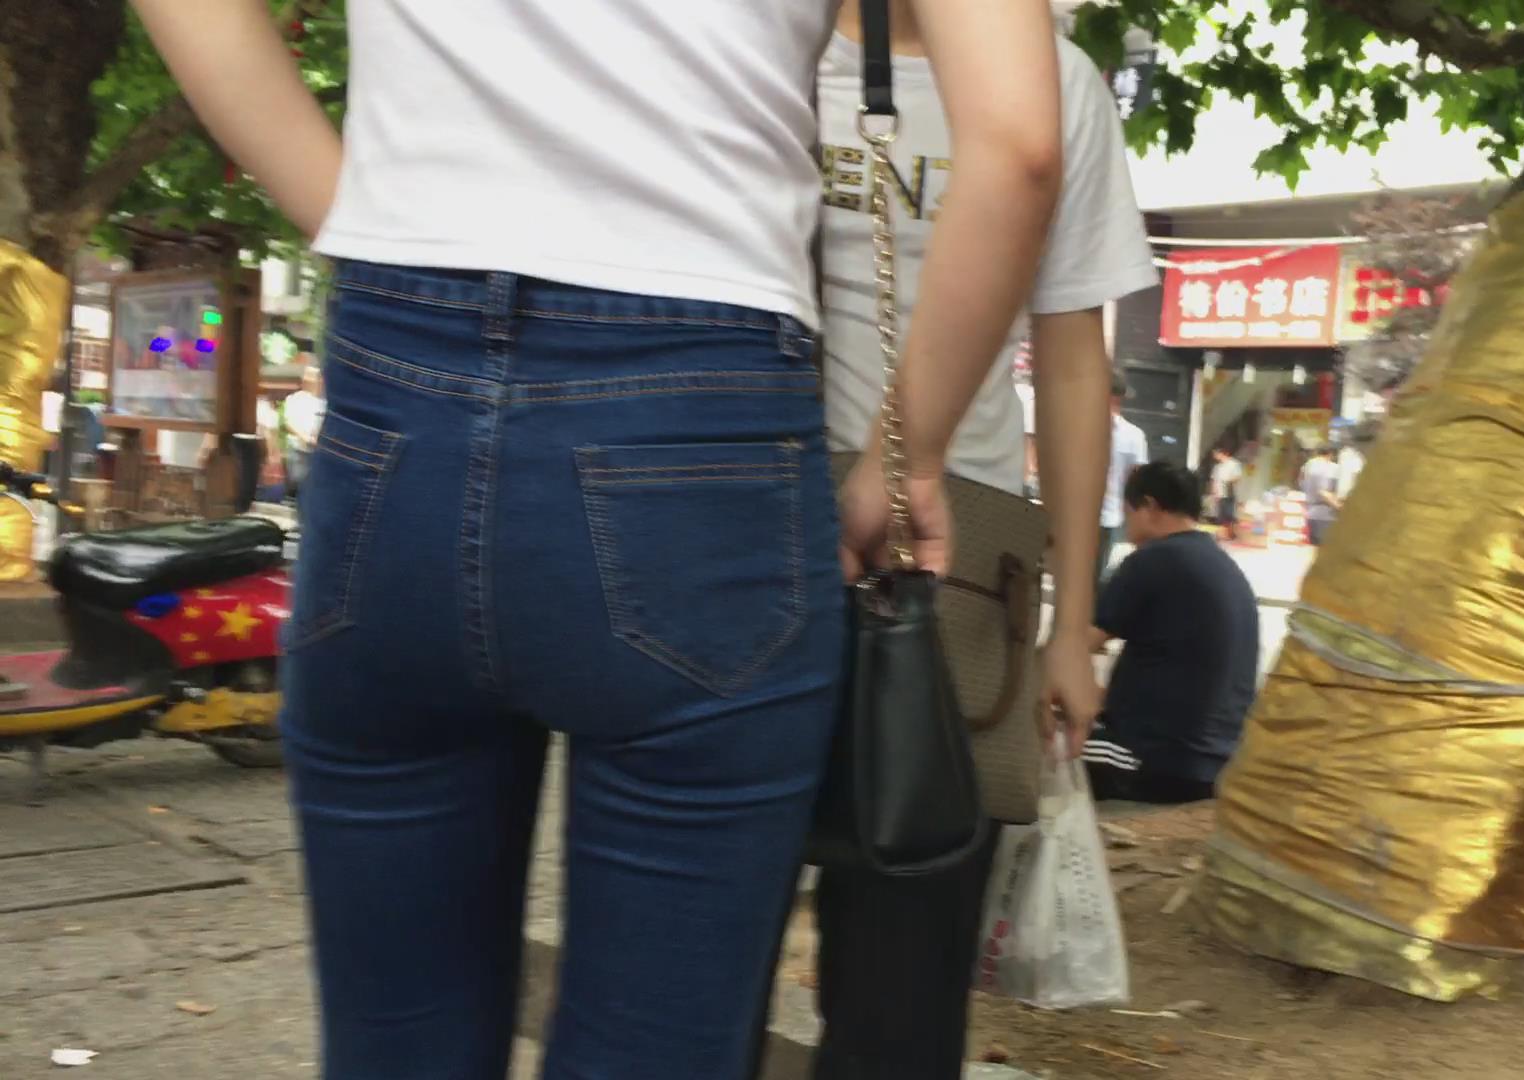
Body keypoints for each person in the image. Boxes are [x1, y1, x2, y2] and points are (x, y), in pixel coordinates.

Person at [130, 2, 1065, 1077]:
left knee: (395, 1040)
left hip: (397, 392)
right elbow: (1019, 145)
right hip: (699, 411)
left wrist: (361, 217)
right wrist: (909, 459)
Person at [800, 5, 1158, 1077]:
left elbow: (1074, 356)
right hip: (762, 515)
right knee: (701, 964)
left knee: (904, 991)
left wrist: (1070, 627)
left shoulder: (1056, 79)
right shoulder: (761, 36)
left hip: (954, 561)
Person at [1083, 462, 1260, 804]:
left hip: (1156, 760)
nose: (1126, 525)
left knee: (1050, 743)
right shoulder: (1225, 566)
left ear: (1149, 506)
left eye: (1128, 513)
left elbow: (1076, 647)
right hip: (1218, 763)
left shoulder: (1152, 560)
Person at [1100, 371, 1150, 582]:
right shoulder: (1081, 429)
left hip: (1108, 517)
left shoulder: (1133, 436)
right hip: (1090, 515)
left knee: (1093, 575)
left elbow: (1136, 479)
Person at [280, 364, 324, 499]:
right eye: (307, 376)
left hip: (318, 450)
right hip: (298, 449)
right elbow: (289, 423)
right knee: (297, 482)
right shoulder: (296, 399)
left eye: (313, 377)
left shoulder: (324, 402)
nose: (309, 379)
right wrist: (305, 437)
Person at [1298, 444, 1344, 546]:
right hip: (1325, 515)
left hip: (1309, 512)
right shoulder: (1330, 468)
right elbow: (1324, 492)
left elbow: (1301, 485)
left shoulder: (1306, 466)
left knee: (1313, 546)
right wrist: (1340, 507)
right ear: (1331, 454)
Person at [1208, 446, 1244, 541]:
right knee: (1220, 515)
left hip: (1229, 492)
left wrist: (1227, 481)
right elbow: (1214, 480)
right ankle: (1222, 534)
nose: (1215, 456)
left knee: (1229, 514)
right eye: (1215, 454)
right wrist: (1214, 492)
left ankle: (1230, 534)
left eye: (1217, 454)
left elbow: (1237, 477)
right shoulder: (1217, 467)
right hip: (1219, 493)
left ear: (1224, 453)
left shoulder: (1234, 464)